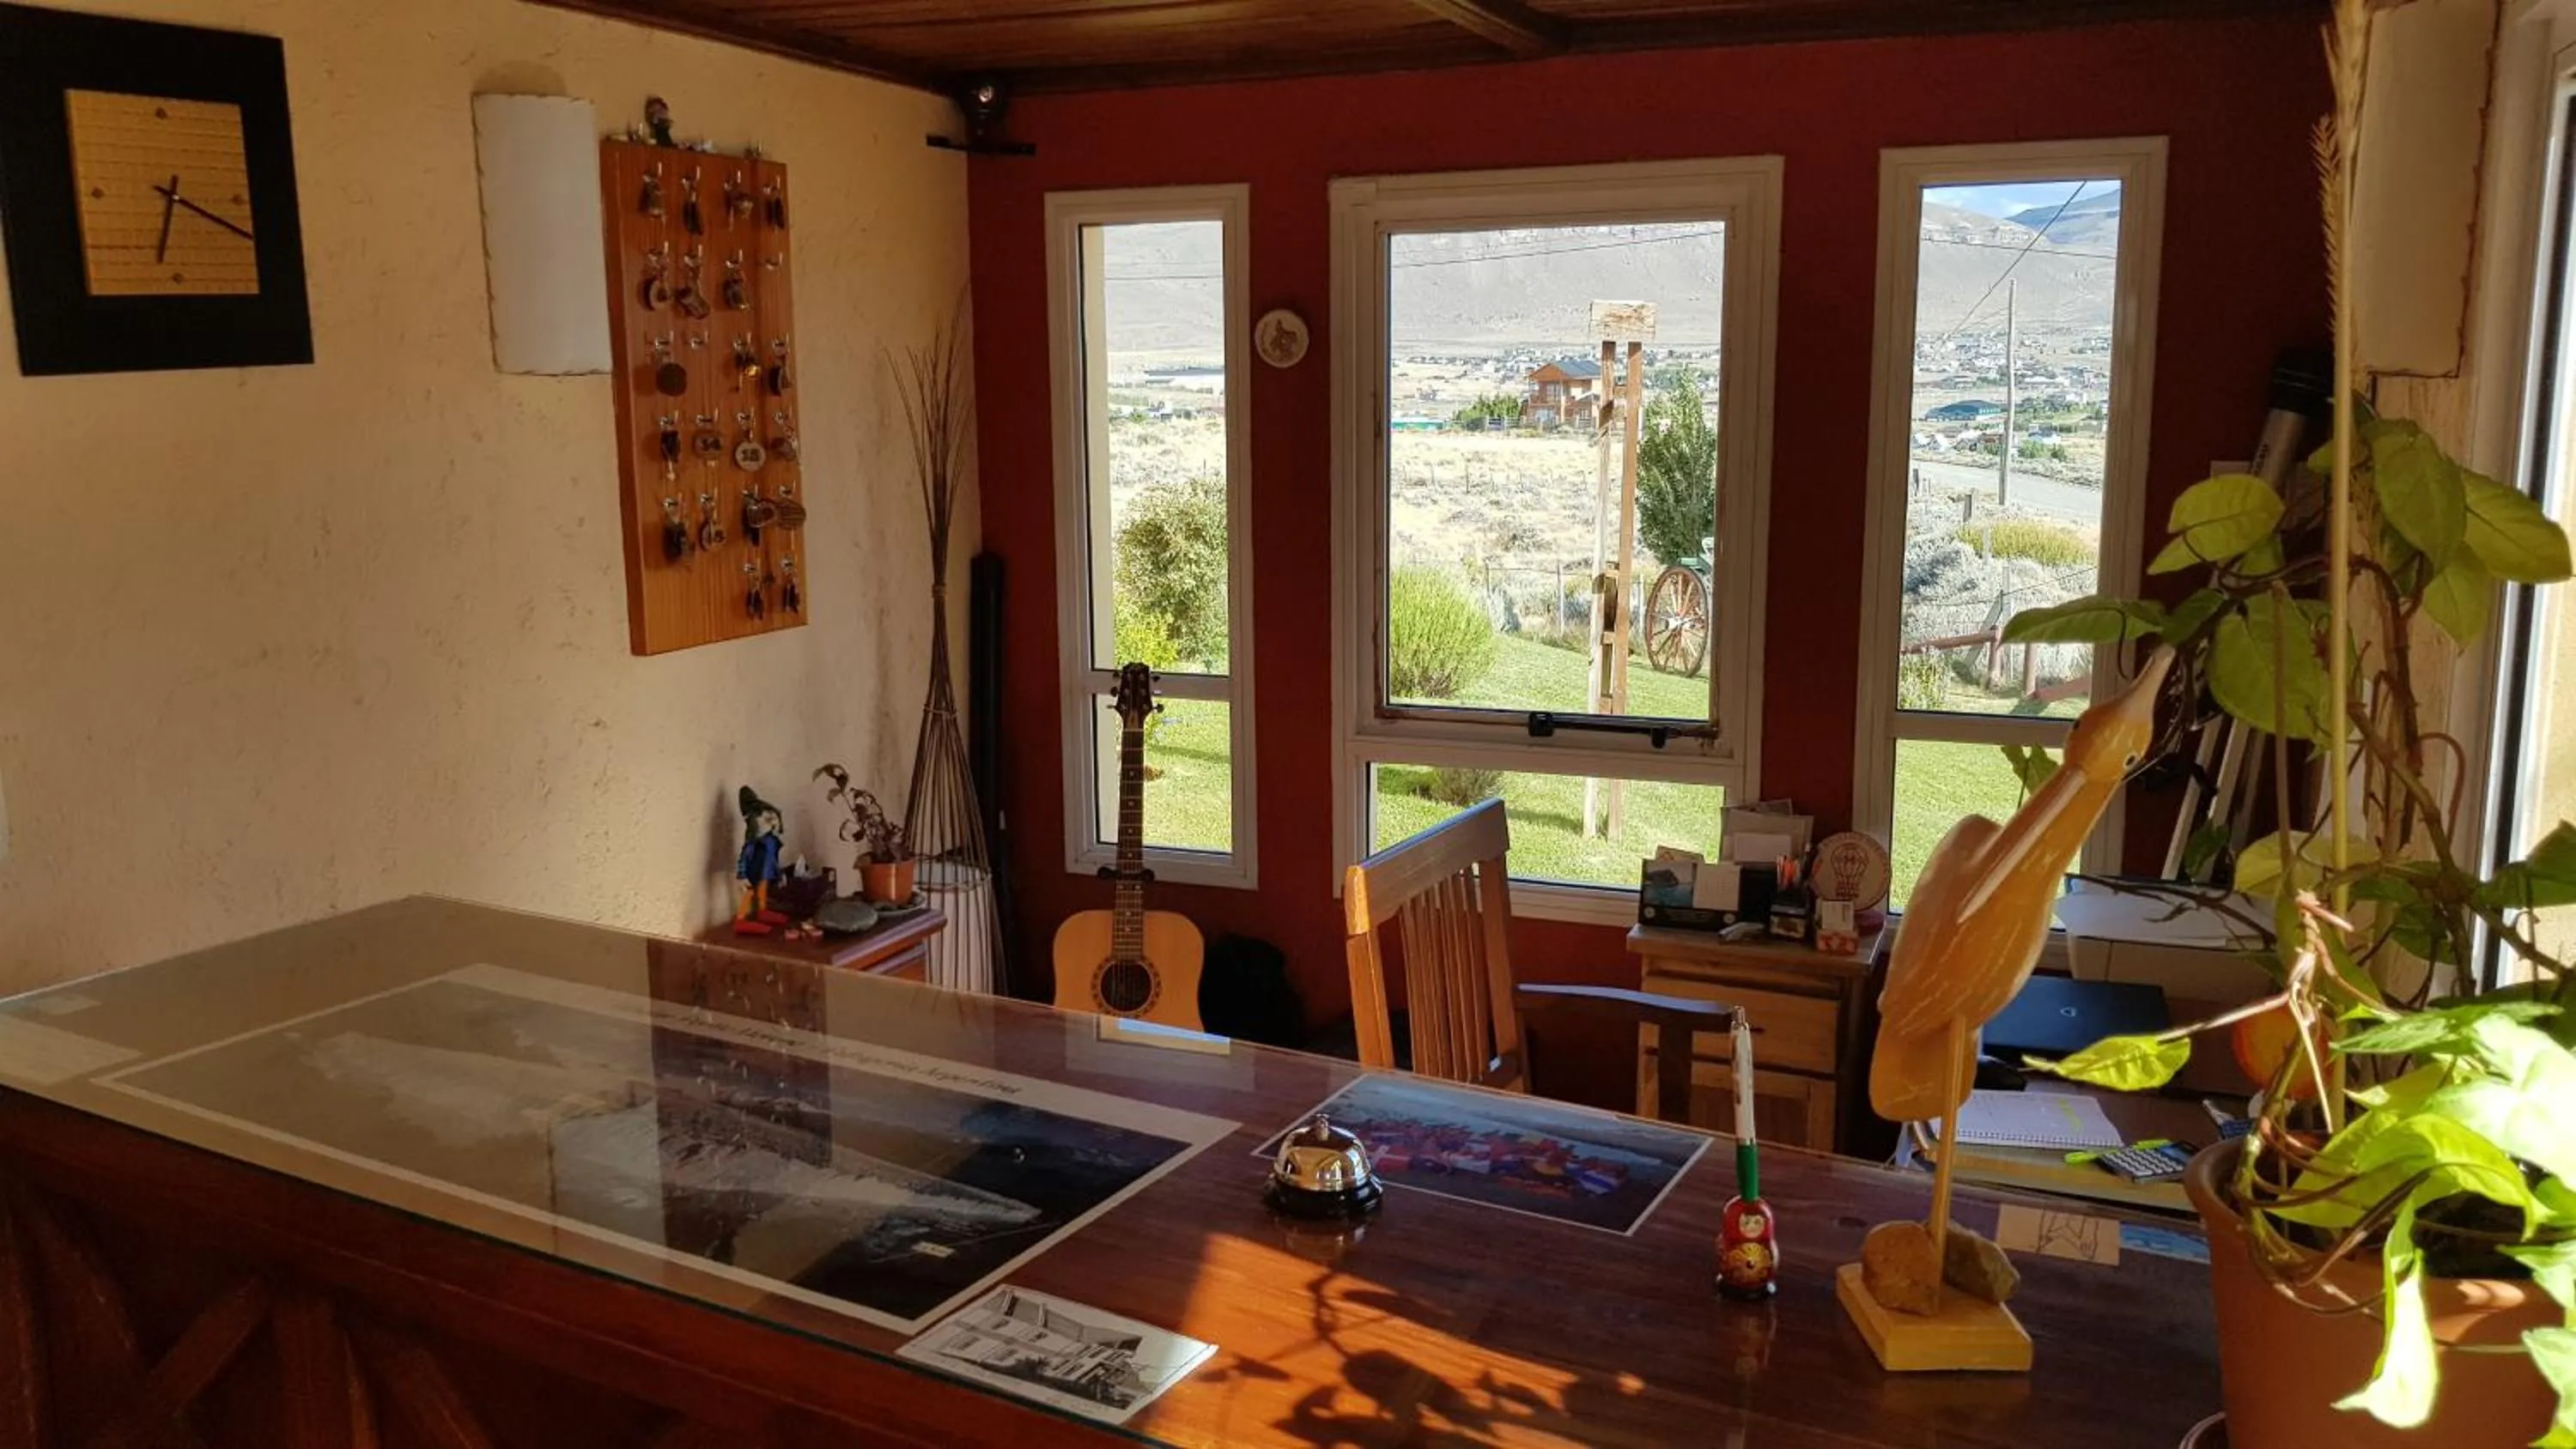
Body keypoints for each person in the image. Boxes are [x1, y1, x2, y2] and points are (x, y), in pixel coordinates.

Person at [733, 785, 790, 934]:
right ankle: (741, 920)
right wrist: (742, 874)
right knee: (749, 892)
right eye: (768, 819)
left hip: (764, 873)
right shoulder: (754, 841)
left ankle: (762, 911)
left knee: (763, 889)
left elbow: (773, 858)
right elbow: (745, 856)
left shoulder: (772, 840)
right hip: (754, 872)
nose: (772, 822)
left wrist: (779, 874)